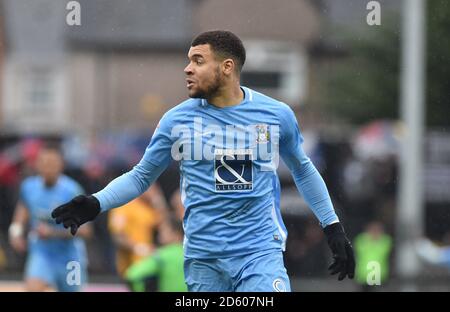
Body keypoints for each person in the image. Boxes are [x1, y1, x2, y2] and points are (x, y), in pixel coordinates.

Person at [51, 30, 355, 292]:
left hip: (259, 251)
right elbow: (142, 176)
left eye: (197, 61)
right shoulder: (177, 120)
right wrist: (97, 202)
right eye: (188, 61)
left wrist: (332, 227)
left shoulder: (276, 115)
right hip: (203, 258)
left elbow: (302, 169)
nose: (187, 69)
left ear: (226, 67)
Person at [9, 143, 92, 292]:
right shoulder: (29, 187)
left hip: (70, 258)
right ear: (37, 165)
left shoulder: (72, 191)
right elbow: (22, 211)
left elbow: (86, 232)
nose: (48, 168)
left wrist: (52, 233)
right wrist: (15, 232)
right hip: (42, 254)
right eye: (44, 163)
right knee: (33, 288)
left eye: (52, 163)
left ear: (61, 166)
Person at [108, 184, 166, 277]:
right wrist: (137, 247)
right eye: (150, 187)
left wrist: (159, 202)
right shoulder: (124, 204)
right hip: (129, 266)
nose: (152, 191)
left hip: (148, 264)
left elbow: (166, 228)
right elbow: (117, 235)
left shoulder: (148, 208)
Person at [125, 216, 187, 292]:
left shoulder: (161, 255)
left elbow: (133, 274)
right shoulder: (193, 254)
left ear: (176, 234)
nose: (159, 233)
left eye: (164, 230)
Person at [354, 221, 392, 291]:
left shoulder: (385, 240)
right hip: (364, 274)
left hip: (379, 274)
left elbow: (384, 252)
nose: (375, 232)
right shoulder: (361, 239)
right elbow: (360, 250)